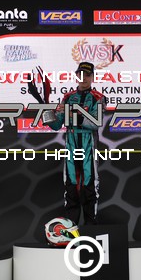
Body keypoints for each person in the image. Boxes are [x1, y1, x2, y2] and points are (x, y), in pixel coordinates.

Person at [47, 62, 106, 225]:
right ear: (76, 76)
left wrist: (72, 114)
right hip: (71, 145)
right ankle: (70, 229)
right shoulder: (67, 97)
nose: (84, 78)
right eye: (81, 74)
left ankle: (91, 229)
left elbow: (95, 123)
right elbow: (56, 125)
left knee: (89, 188)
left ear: (93, 77)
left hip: (89, 146)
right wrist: (48, 113)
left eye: (87, 75)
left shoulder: (98, 98)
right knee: (71, 187)